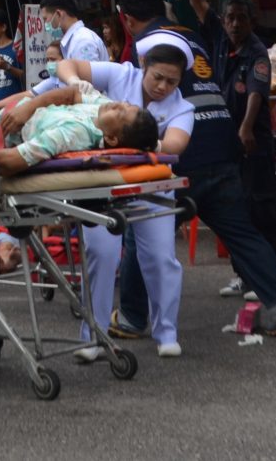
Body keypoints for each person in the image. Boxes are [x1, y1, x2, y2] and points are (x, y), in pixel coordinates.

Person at [111, 0, 276, 341]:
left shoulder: (146, 49)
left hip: (183, 149)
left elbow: (135, 108)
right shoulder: (192, 35)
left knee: (142, 231)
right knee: (244, 235)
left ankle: (131, 318)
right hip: (222, 142)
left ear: (126, 20)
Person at [52, 40, 194, 359]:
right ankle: (94, 336)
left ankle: (166, 331)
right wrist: (77, 82)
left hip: (150, 187)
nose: (162, 86)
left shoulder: (182, 108)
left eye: (172, 81)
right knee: (100, 254)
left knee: (160, 257)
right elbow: (66, 65)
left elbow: (173, 145)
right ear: (144, 64)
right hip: (102, 184)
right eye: (157, 76)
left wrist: (132, 143)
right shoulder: (120, 75)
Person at [178, 0, 276, 266]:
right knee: (237, 208)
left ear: (252, 21)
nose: (235, 24)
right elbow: (198, 3)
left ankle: (270, 269)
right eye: (230, 19)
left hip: (253, 143)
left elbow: (256, 91)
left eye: (241, 19)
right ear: (223, 22)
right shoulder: (221, 39)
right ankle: (244, 273)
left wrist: (246, 127)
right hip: (230, 143)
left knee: (261, 208)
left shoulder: (256, 51)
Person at [0, 85, 157, 176]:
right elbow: (70, 92)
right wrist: (28, 110)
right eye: (126, 104)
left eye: (122, 112)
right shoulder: (100, 109)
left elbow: (12, 160)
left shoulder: (72, 134)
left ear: (112, 138)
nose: (117, 104)